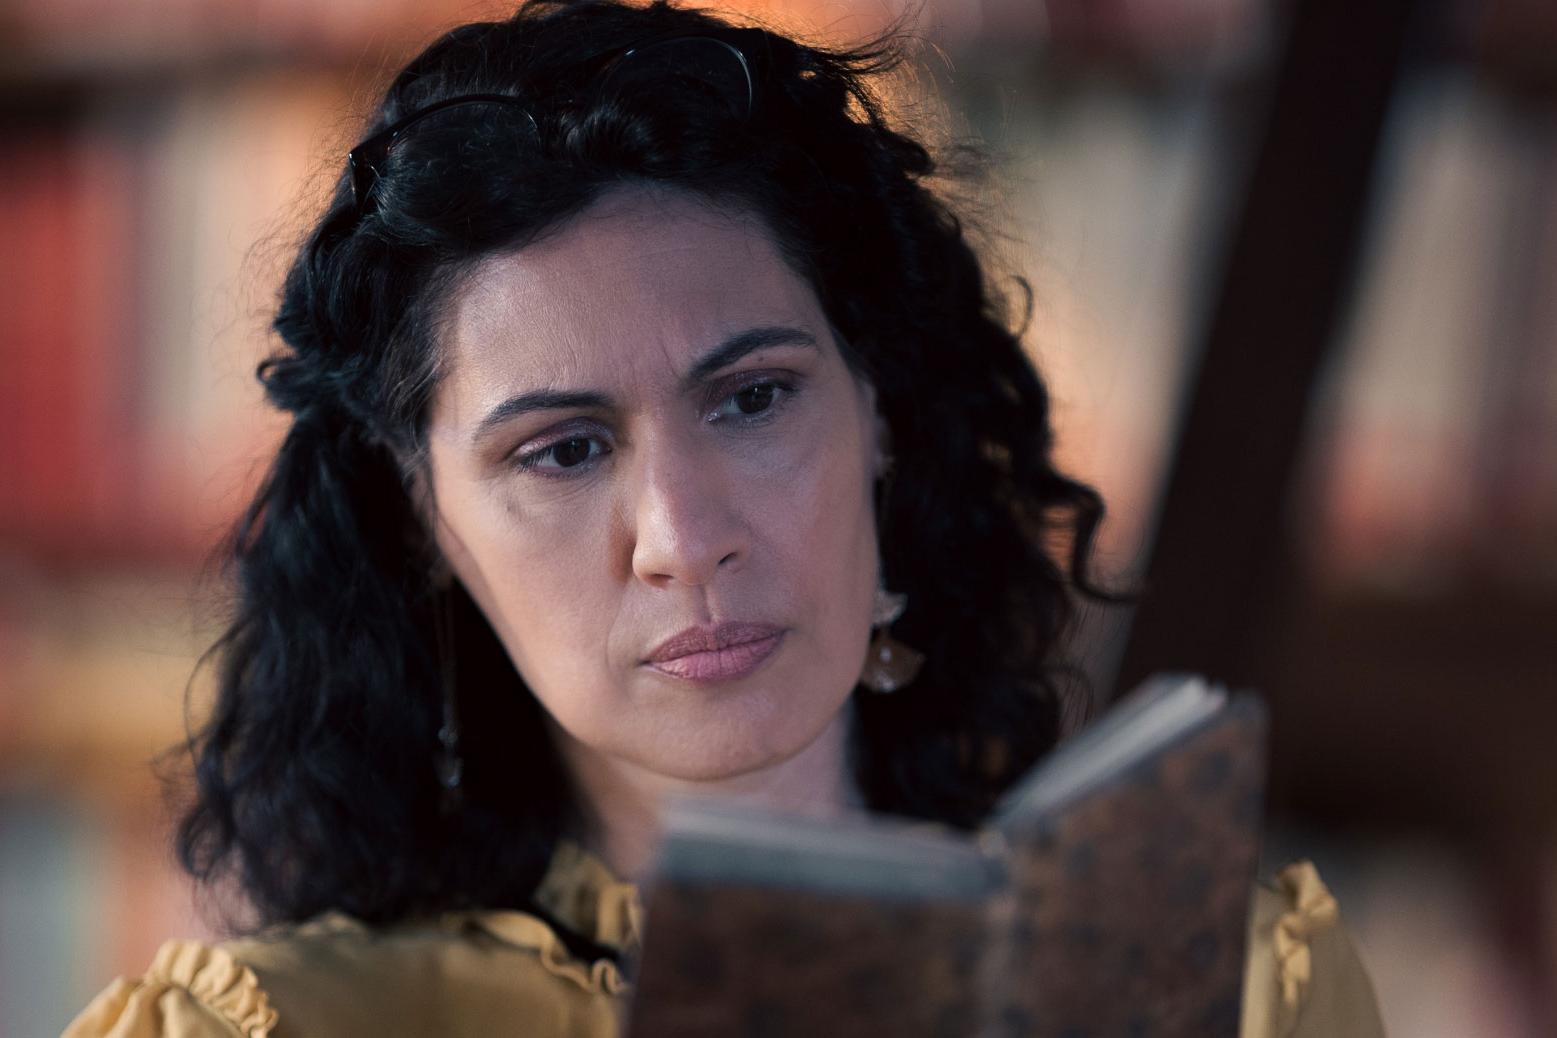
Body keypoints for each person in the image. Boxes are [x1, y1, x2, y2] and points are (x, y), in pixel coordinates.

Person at [64, 1, 1384, 1035]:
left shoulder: (1224, 988)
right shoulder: (269, 1032)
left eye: (751, 400)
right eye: (564, 449)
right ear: (423, 521)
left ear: (875, 409)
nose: (685, 536)